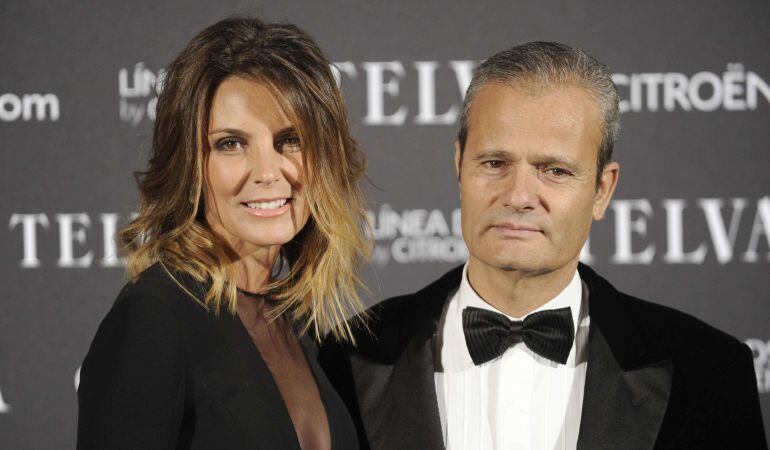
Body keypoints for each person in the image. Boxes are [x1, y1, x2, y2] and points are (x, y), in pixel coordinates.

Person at [319, 42, 767, 449]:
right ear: (459, 165)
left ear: (602, 190)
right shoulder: (346, 357)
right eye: (495, 163)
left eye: (554, 171)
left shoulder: (709, 372)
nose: (517, 196)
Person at [77, 17, 369, 450]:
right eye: (231, 143)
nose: (269, 173)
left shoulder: (294, 320)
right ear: (191, 166)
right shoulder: (154, 320)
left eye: (290, 140)